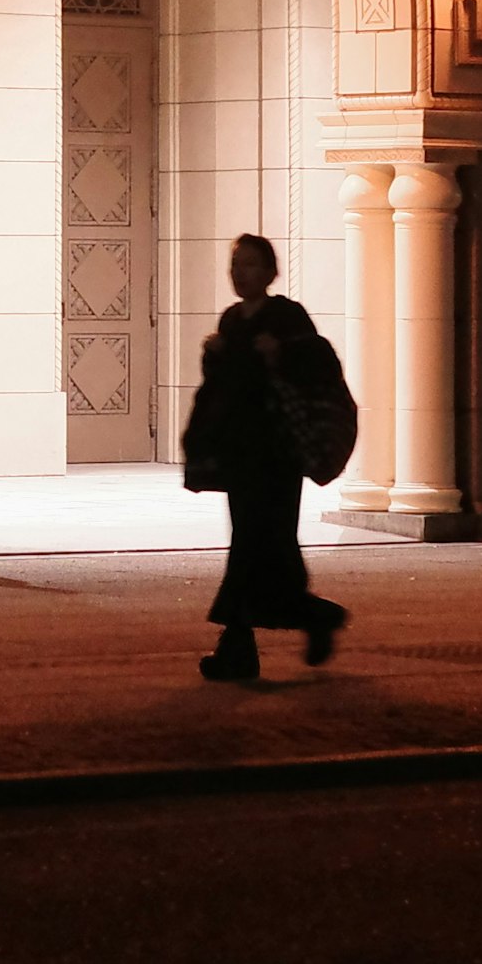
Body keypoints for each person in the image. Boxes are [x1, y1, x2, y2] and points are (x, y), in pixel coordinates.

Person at [176, 232, 351, 682]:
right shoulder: (233, 319)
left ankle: (275, 633)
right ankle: (286, 628)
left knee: (261, 545)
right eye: (235, 263)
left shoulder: (286, 316)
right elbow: (228, 385)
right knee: (253, 546)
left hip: (276, 455)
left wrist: (283, 353)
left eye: (250, 264)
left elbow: (318, 364)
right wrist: (213, 356)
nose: (240, 272)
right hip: (242, 452)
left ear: (270, 272)